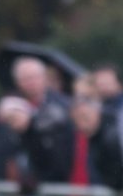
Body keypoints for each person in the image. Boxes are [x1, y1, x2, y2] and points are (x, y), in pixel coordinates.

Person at [10, 56, 75, 186]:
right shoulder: (11, 107)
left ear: (44, 78)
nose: (30, 83)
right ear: (17, 82)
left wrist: (31, 126)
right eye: (25, 79)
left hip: (58, 180)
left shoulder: (63, 106)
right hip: (24, 181)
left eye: (34, 77)